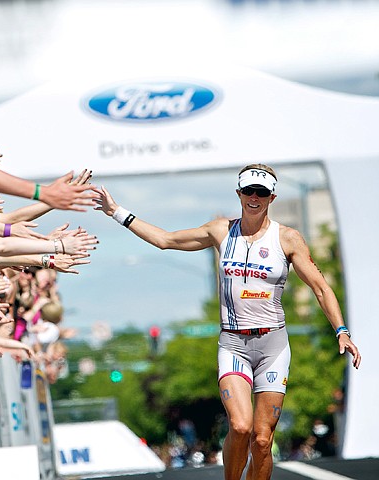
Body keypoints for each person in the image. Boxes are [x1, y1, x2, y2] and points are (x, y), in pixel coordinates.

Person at [95, 163, 361, 480]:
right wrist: (116, 212)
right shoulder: (221, 231)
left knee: (262, 440)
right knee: (241, 425)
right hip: (234, 345)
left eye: (261, 192)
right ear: (238, 193)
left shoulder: (287, 239)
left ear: (272, 196)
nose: (254, 197)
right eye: (248, 190)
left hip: (273, 347)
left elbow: (320, 287)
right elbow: (166, 239)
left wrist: (341, 331)